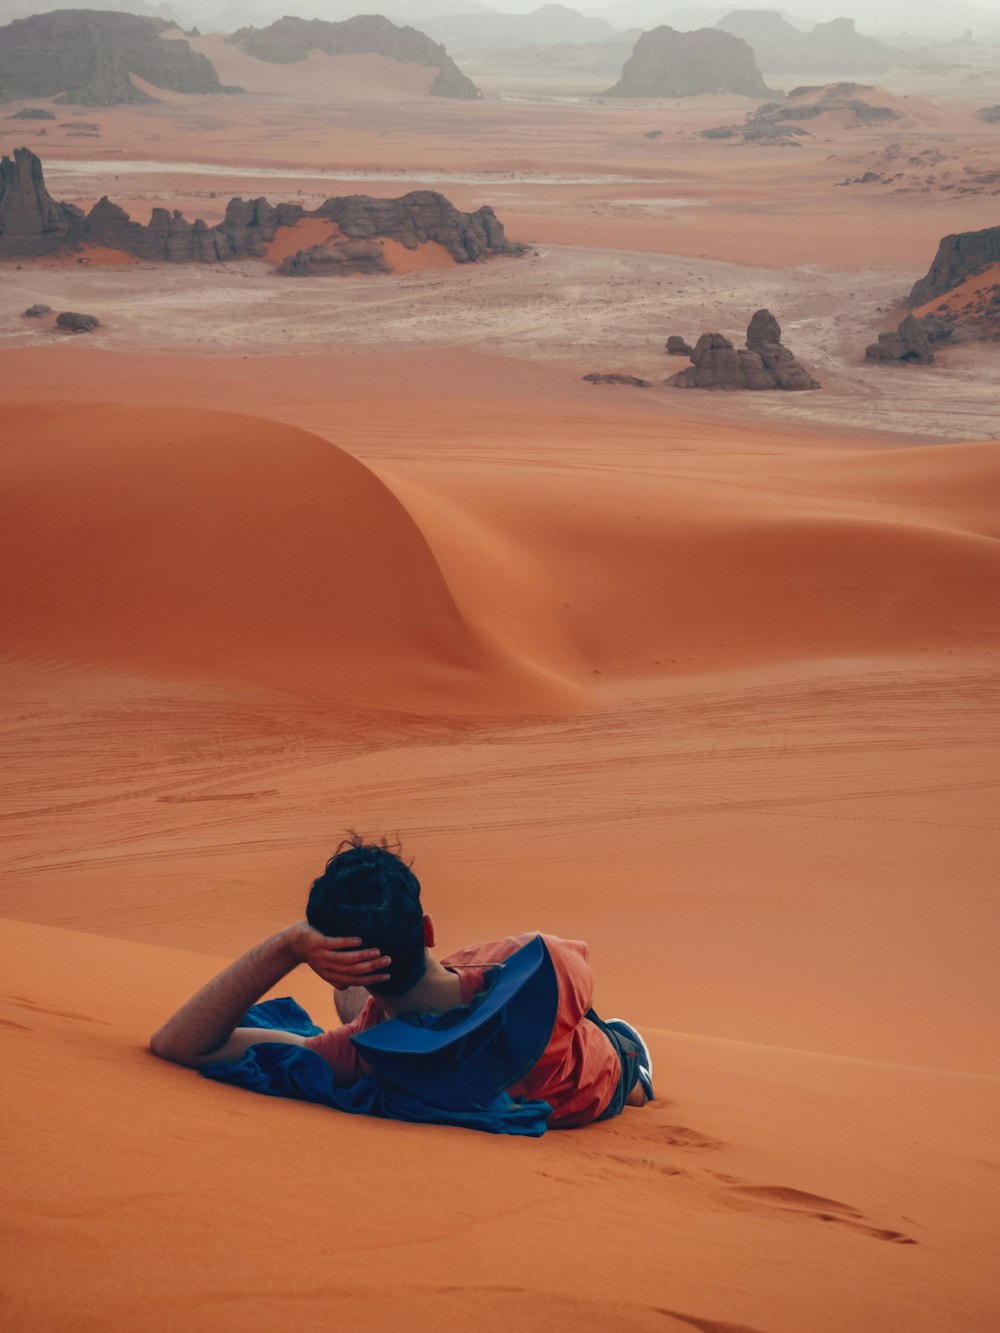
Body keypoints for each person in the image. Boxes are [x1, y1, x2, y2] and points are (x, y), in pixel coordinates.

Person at [150, 835, 654, 1128]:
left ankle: (379, 991)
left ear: (330, 958)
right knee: (584, 1024)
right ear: (428, 929)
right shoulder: (543, 959)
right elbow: (581, 996)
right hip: (609, 1072)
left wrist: (287, 946)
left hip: (409, 1045)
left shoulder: (365, 1057)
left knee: (356, 1005)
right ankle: (637, 1067)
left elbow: (179, 1042)